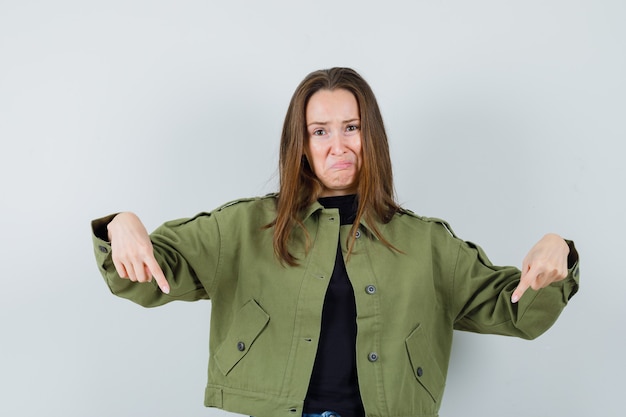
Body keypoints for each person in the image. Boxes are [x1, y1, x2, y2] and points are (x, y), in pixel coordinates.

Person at [91, 67, 579, 417]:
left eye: (351, 128)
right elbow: (148, 275)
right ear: (301, 144)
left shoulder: (427, 244)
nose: (338, 146)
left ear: (371, 136)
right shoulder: (243, 227)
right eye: (319, 131)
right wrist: (121, 224)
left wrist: (558, 250)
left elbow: (516, 309)